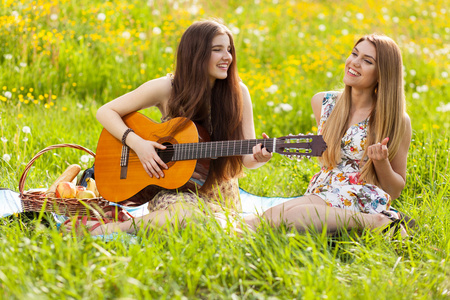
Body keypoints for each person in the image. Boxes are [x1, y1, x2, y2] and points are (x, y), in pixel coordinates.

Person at [64, 19, 272, 235]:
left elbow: (247, 158)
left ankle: (130, 224)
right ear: (196, 54)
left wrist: (258, 158)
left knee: (214, 229)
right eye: (217, 50)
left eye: (229, 49)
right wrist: (138, 144)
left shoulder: (239, 92)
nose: (227, 57)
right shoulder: (167, 87)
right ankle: (111, 229)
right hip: (172, 189)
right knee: (186, 216)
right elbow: (106, 111)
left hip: (218, 191)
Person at [244, 34, 412, 237]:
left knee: (286, 217)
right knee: (261, 220)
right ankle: (376, 225)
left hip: (361, 196)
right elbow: (329, 161)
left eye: (367, 61)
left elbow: (394, 190)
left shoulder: (396, 120)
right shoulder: (324, 103)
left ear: (382, 74)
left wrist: (381, 162)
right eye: (354, 54)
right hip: (322, 191)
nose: (354, 63)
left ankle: (376, 220)